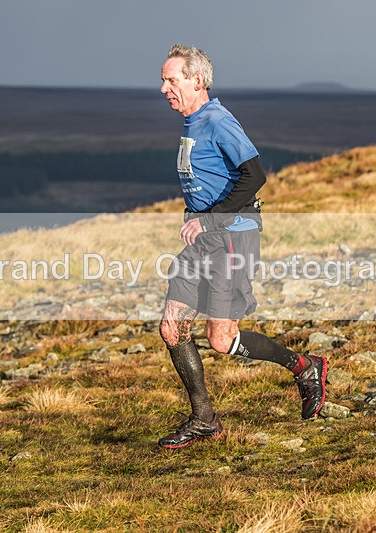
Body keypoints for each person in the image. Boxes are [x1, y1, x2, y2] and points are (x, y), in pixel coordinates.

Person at [157, 44, 328, 449]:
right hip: (204, 240)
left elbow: (254, 176)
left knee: (221, 339)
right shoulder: (192, 122)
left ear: (197, 80)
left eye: (171, 80)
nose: (164, 88)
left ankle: (305, 367)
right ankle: (204, 420)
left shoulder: (218, 120)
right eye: (163, 80)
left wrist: (209, 218)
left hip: (232, 237)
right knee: (172, 327)